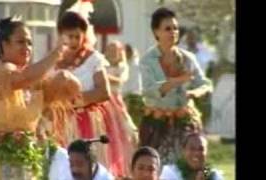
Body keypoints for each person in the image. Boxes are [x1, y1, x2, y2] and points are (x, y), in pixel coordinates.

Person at [0, 16, 70, 179]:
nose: (27, 47)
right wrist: (55, 54)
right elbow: (24, 78)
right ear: (5, 45)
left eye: (30, 42)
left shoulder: (31, 81)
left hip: (26, 167)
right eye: (21, 42)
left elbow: (52, 95)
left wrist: (65, 78)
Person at [45, 10, 129, 176]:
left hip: (88, 122)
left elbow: (103, 92)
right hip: (60, 124)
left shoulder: (93, 59)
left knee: (92, 168)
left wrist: (73, 103)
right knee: (64, 170)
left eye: (78, 36)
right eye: (70, 36)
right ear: (61, 35)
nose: (74, 41)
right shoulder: (52, 60)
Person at [139, 7, 212, 165]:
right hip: (157, 124)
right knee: (157, 167)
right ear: (156, 32)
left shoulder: (188, 57)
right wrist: (178, 80)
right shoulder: (147, 60)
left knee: (189, 166)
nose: (173, 32)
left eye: (175, 28)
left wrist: (194, 92)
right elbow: (150, 91)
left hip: (185, 122)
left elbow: (205, 84)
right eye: (167, 29)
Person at [105, 40, 138, 175]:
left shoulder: (122, 67)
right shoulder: (102, 64)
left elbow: (121, 80)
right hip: (103, 101)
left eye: (115, 51)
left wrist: (104, 77)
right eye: (110, 50)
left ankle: (124, 164)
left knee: (125, 130)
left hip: (115, 102)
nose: (113, 53)